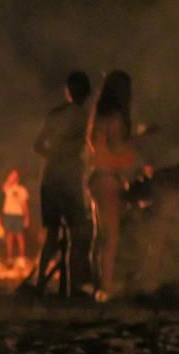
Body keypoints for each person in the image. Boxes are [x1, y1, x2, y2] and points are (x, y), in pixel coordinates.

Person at [32, 71, 92, 296]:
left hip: (49, 179)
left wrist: (54, 155)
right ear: (86, 94)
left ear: (67, 92)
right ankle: (74, 285)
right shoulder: (87, 118)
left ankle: (40, 283)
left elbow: (37, 145)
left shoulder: (55, 115)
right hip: (68, 179)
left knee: (51, 234)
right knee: (77, 232)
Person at [87, 71, 136, 302]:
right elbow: (118, 152)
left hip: (96, 179)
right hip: (108, 180)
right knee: (112, 237)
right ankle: (105, 287)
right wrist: (135, 148)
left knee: (100, 236)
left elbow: (97, 148)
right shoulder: (116, 118)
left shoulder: (97, 117)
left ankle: (96, 282)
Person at [0, 169, 30, 264]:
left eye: (15, 175)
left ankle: (21, 258)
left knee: (20, 236)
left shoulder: (22, 190)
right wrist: (10, 178)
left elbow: (25, 204)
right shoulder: (8, 188)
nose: (13, 176)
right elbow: (3, 187)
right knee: (9, 236)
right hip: (8, 214)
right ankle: (10, 258)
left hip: (18, 214)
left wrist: (26, 217)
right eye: (11, 175)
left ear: (18, 178)